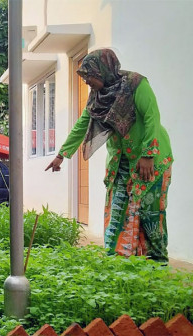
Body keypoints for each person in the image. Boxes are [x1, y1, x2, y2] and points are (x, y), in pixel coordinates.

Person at [45, 49, 173, 262]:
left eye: (89, 76)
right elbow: (83, 124)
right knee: (118, 213)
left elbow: (152, 117)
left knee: (150, 214)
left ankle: (157, 266)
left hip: (151, 160)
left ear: (104, 70)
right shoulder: (98, 96)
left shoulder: (136, 84)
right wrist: (62, 154)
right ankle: (119, 266)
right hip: (121, 162)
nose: (87, 82)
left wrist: (148, 154)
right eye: (84, 78)